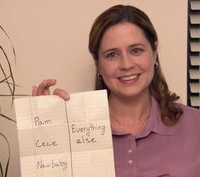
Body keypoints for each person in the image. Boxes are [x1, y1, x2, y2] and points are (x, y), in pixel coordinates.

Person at [32, 4, 200, 177]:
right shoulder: (73, 131)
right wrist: (48, 132)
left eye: (136, 50)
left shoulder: (196, 126)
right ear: (98, 63)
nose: (126, 65)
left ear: (154, 53)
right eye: (112, 54)